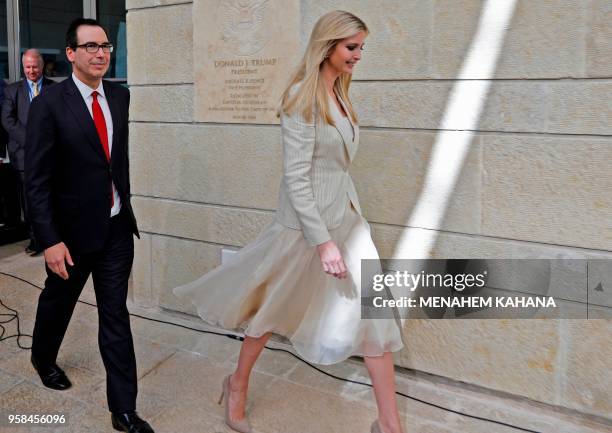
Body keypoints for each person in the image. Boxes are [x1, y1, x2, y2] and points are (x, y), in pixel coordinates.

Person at [174, 10, 405, 433]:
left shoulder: (341, 93)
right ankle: (238, 384)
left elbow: (337, 168)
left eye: (361, 48)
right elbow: (296, 179)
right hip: (307, 231)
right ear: (328, 45)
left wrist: (344, 232)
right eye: (351, 47)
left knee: (376, 319)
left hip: (350, 225)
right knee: (270, 313)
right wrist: (323, 242)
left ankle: (390, 425)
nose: (358, 56)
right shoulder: (302, 96)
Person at [25, 18, 154, 433]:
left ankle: (124, 410)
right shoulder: (49, 104)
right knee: (58, 303)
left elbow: (115, 161)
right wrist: (49, 239)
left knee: (115, 315)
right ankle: (42, 358)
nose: (101, 53)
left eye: (106, 46)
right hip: (70, 236)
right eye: (91, 46)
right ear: (71, 54)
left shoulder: (120, 96)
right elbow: (37, 179)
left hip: (116, 229)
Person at [1, 49, 55, 255]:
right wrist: (32, 142)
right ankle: (36, 240)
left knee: (52, 197)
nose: (31, 71)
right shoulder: (12, 90)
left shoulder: (54, 88)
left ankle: (53, 237)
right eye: (27, 67)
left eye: (35, 66)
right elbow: (7, 120)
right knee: (30, 200)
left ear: (42, 66)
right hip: (24, 156)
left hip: (51, 154)